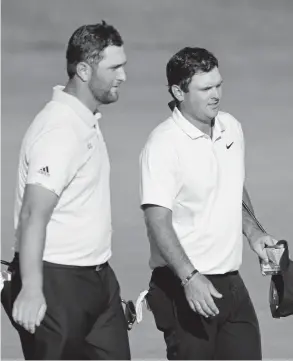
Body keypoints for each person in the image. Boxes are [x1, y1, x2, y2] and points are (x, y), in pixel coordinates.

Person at [139, 47, 276, 360]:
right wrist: (189, 278)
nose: (216, 95)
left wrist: (254, 234)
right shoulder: (163, 146)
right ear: (178, 91)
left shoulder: (231, 128)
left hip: (230, 282)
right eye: (205, 89)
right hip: (182, 285)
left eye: (218, 85)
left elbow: (232, 186)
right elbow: (157, 221)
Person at [10, 21, 130, 360]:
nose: (123, 76)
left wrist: (101, 284)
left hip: (98, 280)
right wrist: (32, 289)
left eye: (123, 66)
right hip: (54, 282)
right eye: (114, 67)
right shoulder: (60, 129)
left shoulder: (84, 121)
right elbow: (33, 212)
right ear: (83, 70)